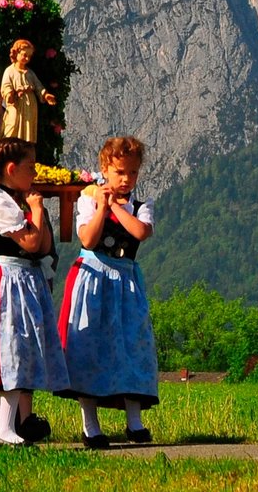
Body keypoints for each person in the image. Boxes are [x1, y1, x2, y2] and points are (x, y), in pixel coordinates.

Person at [0, 138, 68, 446]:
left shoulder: (15, 202)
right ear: (12, 169)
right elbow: (31, 244)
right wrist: (35, 208)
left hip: (25, 280)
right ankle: (4, 428)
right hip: (9, 282)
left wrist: (37, 211)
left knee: (24, 352)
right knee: (14, 354)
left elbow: (45, 245)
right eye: (29, 167)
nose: (34, 173)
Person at [62, 135, 158, 446]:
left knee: (131, 347)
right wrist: (103, 206)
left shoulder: (141, 207)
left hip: (126, 281)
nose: (126, 179)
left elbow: (141, 232)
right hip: (93, 277)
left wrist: (116, 206)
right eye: (119, 172)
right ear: (105, 168)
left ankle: (134, 421)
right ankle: (91, 424)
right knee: (89, 345)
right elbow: (88, 240)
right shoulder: (90, 201)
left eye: (132, 172)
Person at [0, 40, 55, 145]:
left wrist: (45, 95)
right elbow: (6, 86)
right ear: (16, 53)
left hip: (30, 105)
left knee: (27, 128)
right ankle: (9, 145)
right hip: (16, 103)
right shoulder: (10, 71)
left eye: (29, 56)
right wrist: (9, 94)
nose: (27, 58)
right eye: (24, 55)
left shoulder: (30, 73)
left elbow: (38, 86)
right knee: (12, 125)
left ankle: (25, 147)